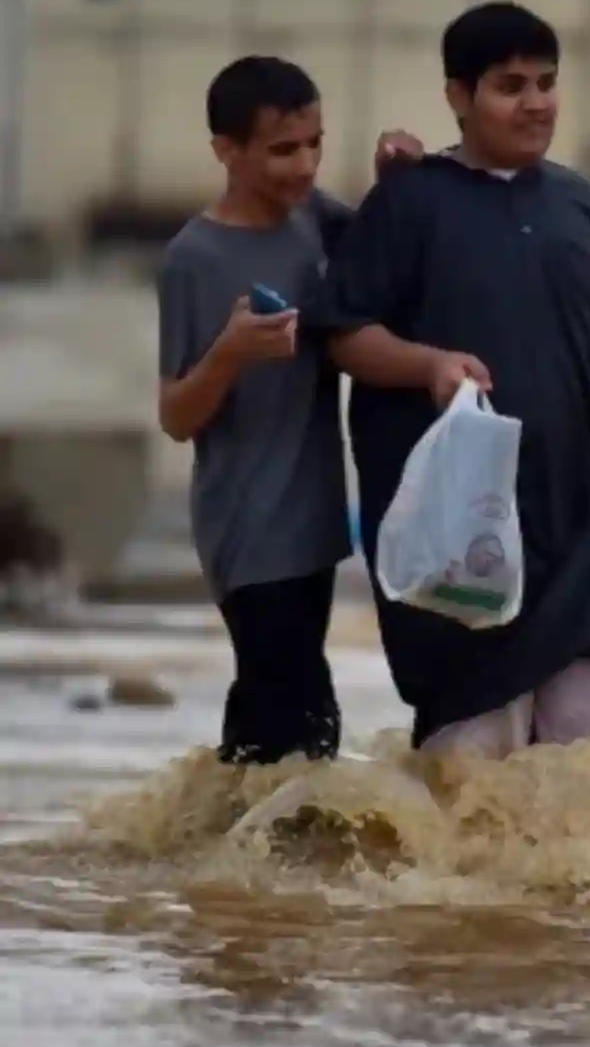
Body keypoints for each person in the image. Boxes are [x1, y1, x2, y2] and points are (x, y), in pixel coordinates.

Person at [314, 0, 590, 760]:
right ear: (459, 97)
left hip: (578, 526)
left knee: (589, 764)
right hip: (460, 536)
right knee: (470, 773)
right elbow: (344, 335)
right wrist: (428, 365)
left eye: (547, 83)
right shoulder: (410, 201)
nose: (536, 103)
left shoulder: (579, 203)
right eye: (510, 85)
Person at [156, 54, 423, 765]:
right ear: (226, 151)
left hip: (313, 521)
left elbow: (380, 243)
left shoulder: (313, 219)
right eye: (281, 150)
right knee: (304, 720)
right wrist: (231, 352)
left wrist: (395, 178)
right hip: (246, 527)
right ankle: (259, 859)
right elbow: (176, 416)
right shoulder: (195, 256)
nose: (304, 166)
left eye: (315, 145)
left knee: (271, 717)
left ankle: (212, 859)